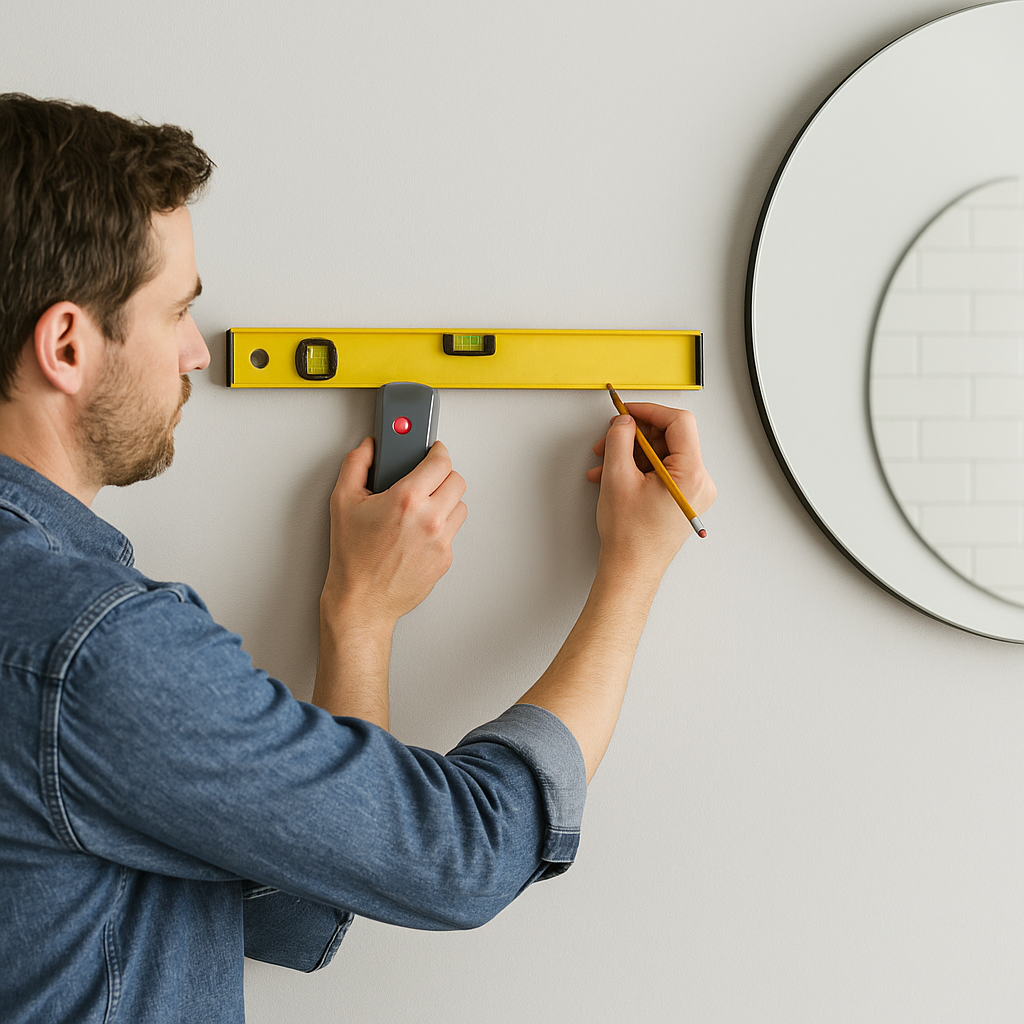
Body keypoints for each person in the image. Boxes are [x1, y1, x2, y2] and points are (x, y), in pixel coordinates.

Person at [0, 93, 715, 1024]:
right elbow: (462, 854)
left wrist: (360, 621)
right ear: (66, 343)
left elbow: (294, 910)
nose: (196, 354)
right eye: (177, 311)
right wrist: (633, 569)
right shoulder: (95, 657)